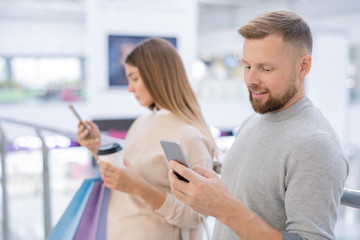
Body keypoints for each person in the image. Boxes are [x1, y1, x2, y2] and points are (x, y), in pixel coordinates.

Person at [168, 9, 349, 240]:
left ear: (303, 66)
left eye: (266, 68)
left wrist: (223, 208)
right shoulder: (252, 122)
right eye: (247, 66)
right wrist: (211, 190)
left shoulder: (315, 144)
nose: (251, 80)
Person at [77, 37, 217, 240]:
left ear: (156, 76)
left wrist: (139, 188)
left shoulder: (188, 136)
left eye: (134, 78)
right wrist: (95, 147)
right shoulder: (141, 123)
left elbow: (196, 215)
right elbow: (126, 176)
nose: (129, 88)